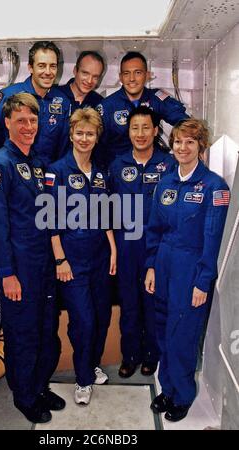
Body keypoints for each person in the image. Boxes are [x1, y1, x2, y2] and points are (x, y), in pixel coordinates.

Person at [0, 93, 65, 424]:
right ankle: (24, 396)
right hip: (19, 270)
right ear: (8, 123)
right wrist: (7, 274)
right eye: (21, 121)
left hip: (43, 266)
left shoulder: (37, 164)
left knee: (45, 330)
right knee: (22, 334)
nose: (28, 127)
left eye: (33, 120)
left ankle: (40, 386)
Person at [145, 118, 230, 422]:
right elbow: (154, 229)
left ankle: (182, 395)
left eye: (190, 142)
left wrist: (202, 282)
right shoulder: (166, 182)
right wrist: (151, 267)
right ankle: (166, 388)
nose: (182, 147)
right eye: (178, 141)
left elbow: (212, 240)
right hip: (164, 264)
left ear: (201, 147)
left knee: (182, 335)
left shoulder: (214, 187)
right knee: (163, 330)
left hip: (191, 269)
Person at [45, 107, 117, 405]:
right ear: (71, 135)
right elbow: (49, 220)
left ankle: (93, 364)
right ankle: (83, 379)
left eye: (90, 133)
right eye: (79, 133)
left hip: (100, 256)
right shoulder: (57, 171)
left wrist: (113, 249)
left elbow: (105, 216)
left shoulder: (101, 174)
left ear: (97, 137)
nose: (84, 138)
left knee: (100, 317)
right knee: (83, 321)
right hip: (72, 260)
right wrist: (60, 260)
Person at [109, 106, 175, 379]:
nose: (140, 133)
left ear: (156, 131)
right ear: (129, 131)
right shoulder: (117, 165)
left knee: (153, 302)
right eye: (135, 128)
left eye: (146, 127)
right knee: (129, 303)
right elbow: (108, 209)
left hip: (157, 245)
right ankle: (130, 355)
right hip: (127, 244)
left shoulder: (168, 164)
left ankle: (152, 354)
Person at [0, 41, 70, 178]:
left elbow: (64, 146)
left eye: (52, 66)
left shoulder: (62, 101)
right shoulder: (8, 95)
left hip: (46, 179)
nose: (48, 72)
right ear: (30, 67)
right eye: (41, 66)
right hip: (13, 176)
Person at [96, 51, 189, 166]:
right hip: (119, 170)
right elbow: (96, 145)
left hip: (152, 167)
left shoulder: (156, 99)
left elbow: (185, 122)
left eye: (138, 73)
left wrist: (199, 146)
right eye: (126, 73)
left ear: (147, 75)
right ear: (121, 77)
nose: (132, 79)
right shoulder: (107, 106)